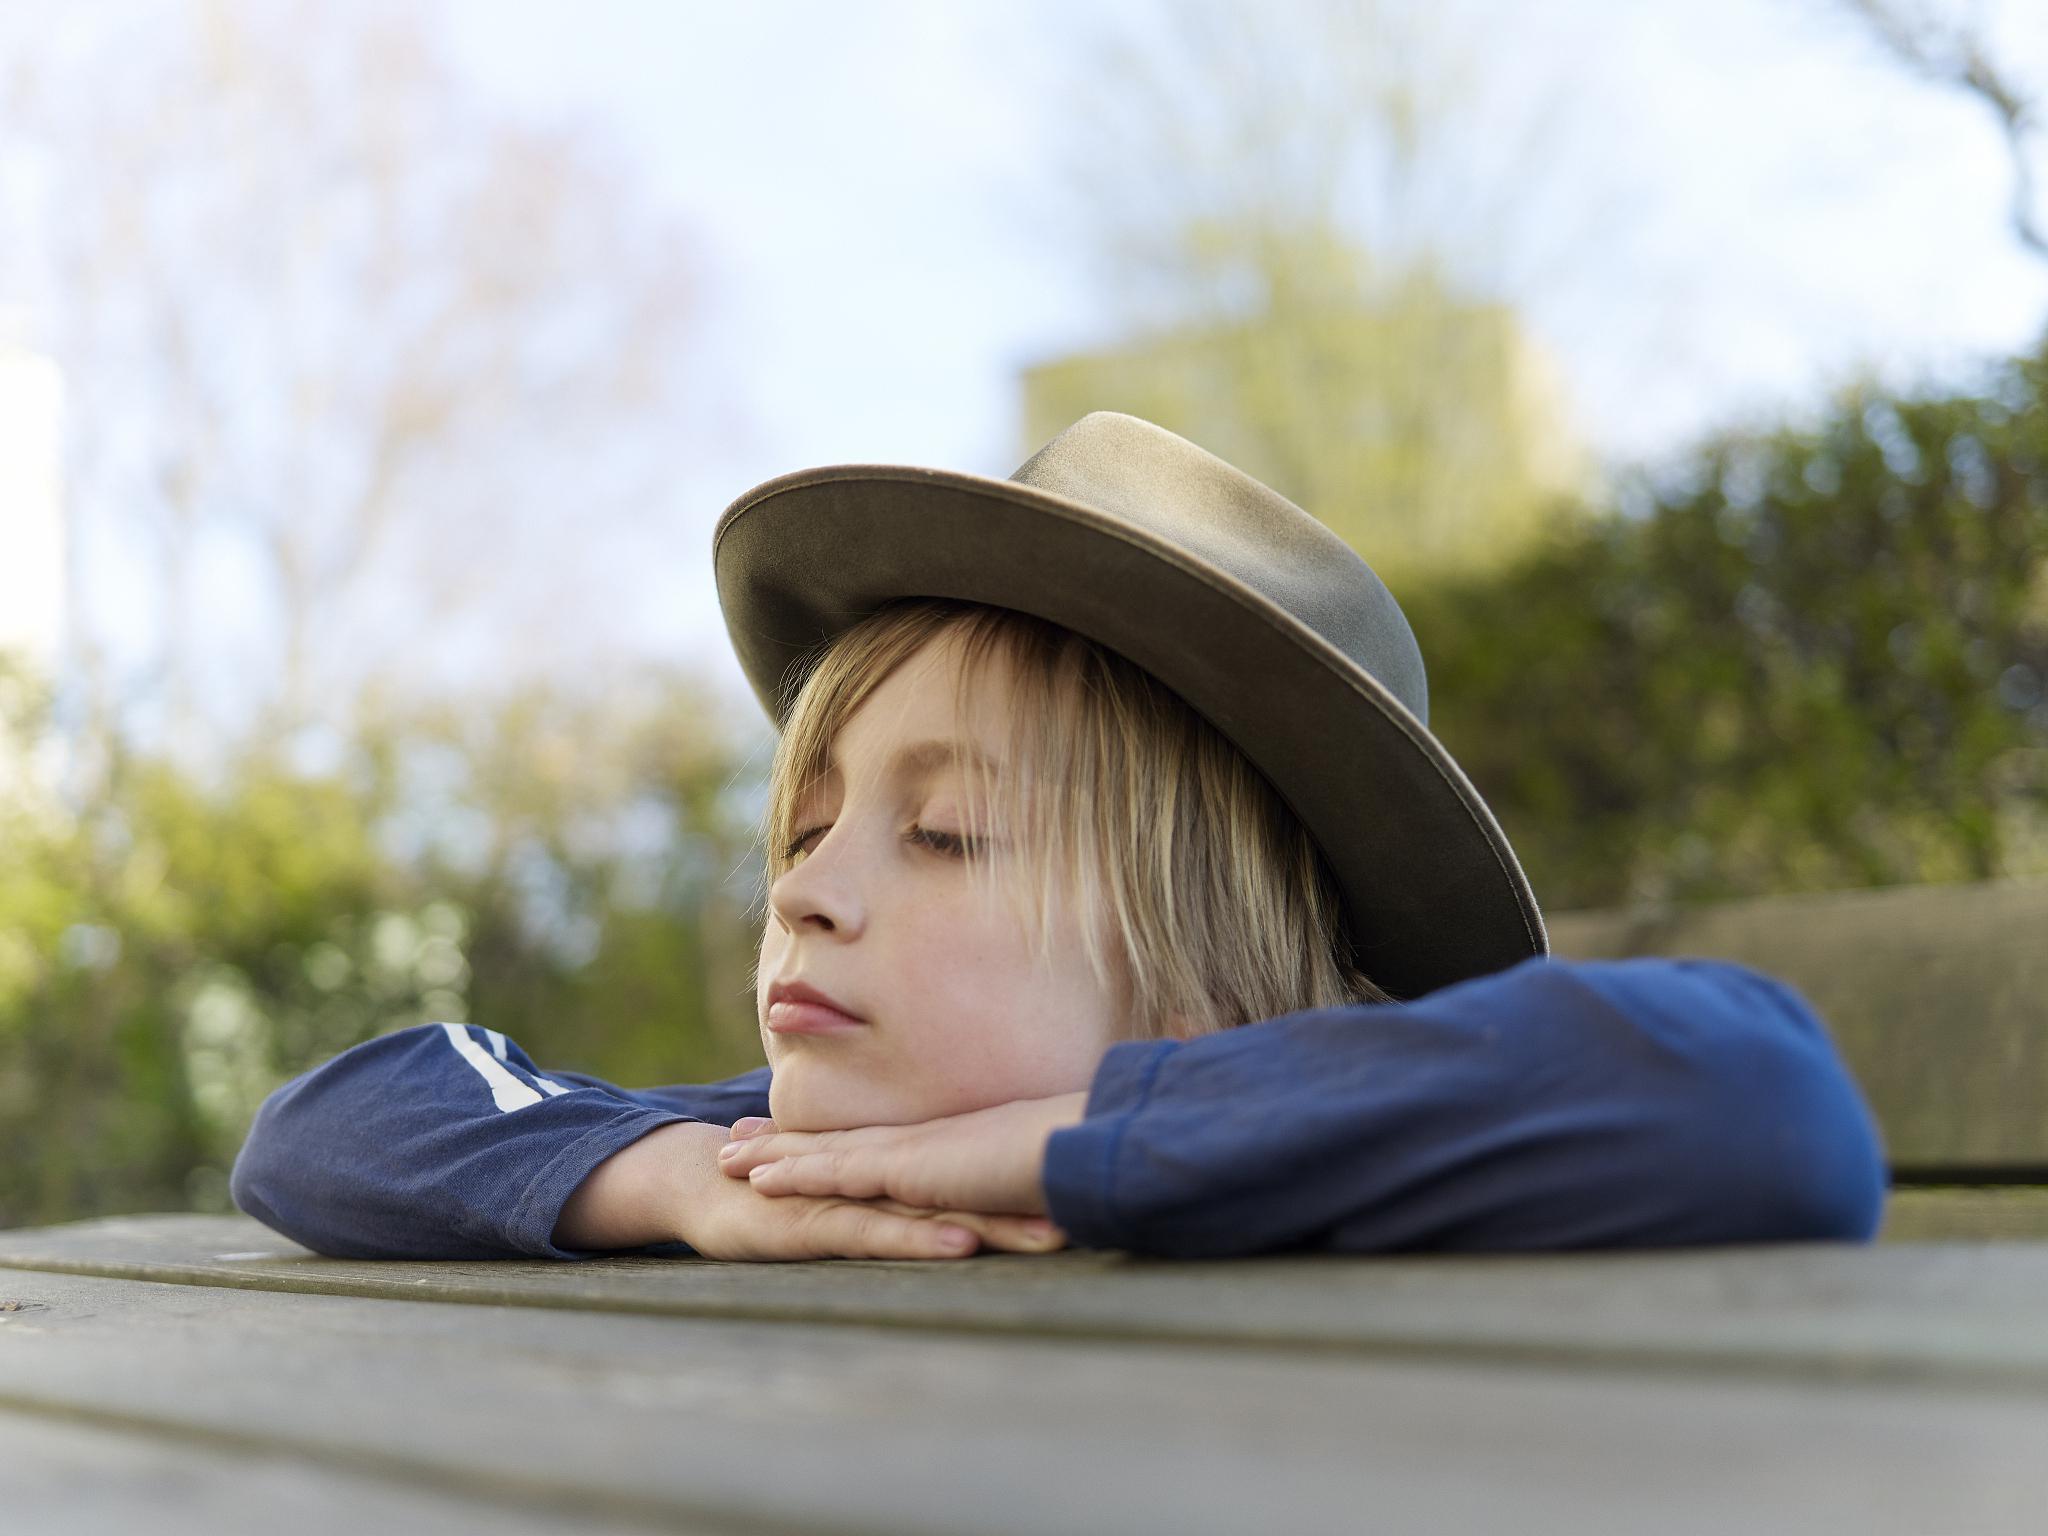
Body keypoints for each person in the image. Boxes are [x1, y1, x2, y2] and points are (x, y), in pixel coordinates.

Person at [229, 412, 1888, 1263]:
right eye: (806, 829)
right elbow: (331, 1121)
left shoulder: (1352, 1121)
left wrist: (1075, 1143)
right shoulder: (799, 1163)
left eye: (941, 833)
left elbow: (1768, 1099)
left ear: (1207, 999)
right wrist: (670, 1183)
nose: (803, 890)